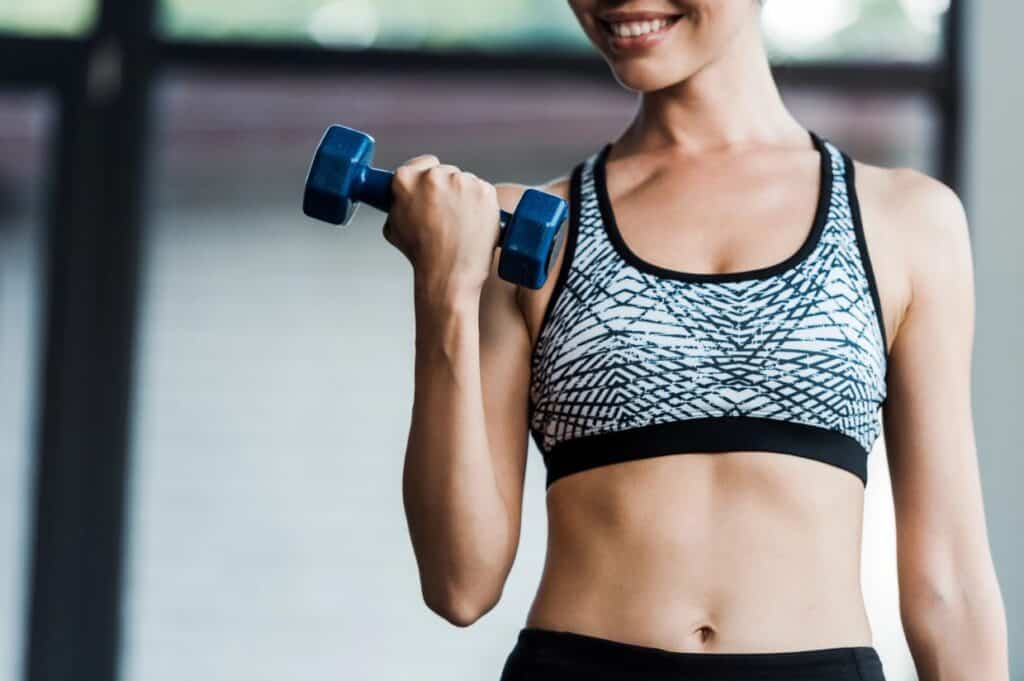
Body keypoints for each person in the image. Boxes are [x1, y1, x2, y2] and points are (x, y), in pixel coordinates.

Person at [381, 2, 1009, 680]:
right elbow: (459, 583)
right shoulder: (530, 230)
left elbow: (950, 585)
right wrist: (445, 287)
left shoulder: (907, 221)